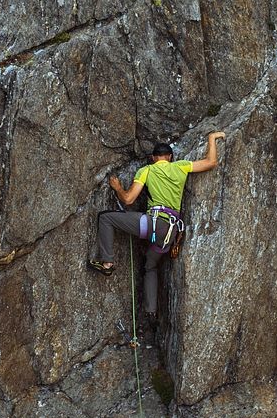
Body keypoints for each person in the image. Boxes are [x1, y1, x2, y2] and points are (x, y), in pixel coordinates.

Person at [89, 132, 226, 319]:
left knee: (106, 218)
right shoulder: (181, 167)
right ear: (169, 157)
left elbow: (128, 199)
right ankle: (151, 312)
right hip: (170, 233)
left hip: (151, 225)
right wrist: (212, 137)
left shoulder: (147, 170)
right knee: (150, 267)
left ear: (154, 158)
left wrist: (117, 187)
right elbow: (211, 162)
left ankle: (107, 262)